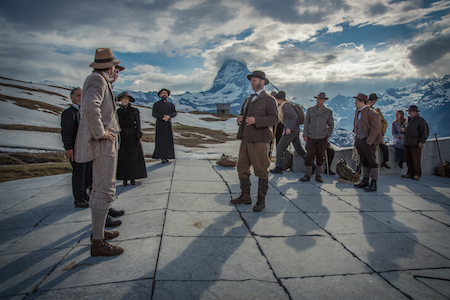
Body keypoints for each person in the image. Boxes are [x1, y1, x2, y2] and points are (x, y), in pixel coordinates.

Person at [75, 48, 124, 256]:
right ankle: (98, 243)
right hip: (103, 145)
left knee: (97, 188)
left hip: (104, 143)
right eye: (115, 66)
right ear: (110, 66)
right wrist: (101, 132)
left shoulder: (99, 79)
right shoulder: (97, 80)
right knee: (105, 188)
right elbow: (89, 106)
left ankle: (99, 231)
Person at [231, 71, 278, 211]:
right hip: (245, 139)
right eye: (251, 80)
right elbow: (242, 115)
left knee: (261, 170)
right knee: (241, 168)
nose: (252, 83)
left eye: (254, 80)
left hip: (260, 141)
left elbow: (274, 119)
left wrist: (256, 120)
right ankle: (246, 196)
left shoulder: (269, 100)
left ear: (263, 82)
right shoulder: (248, 99)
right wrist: (239, 119)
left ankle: (261, 200)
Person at [61, 87, 92, 208]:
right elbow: (67, 132)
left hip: (86, 148)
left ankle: (84, 195)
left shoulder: (83, 112)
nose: (80, 98)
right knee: (79, 173)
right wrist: (69, 148)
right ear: (72, 98)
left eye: (82, 96)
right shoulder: (69, 113)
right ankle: (78, 198)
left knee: (86, 172)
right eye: (78, 96)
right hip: (76, 149)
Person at [300, 92, 334, 182]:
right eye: (318, 99)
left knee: (320, 156)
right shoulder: (310, 110)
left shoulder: (328, 112)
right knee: (309, 155)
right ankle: (307, 174)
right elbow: (306, 123)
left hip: (322, 137)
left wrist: (328, 134)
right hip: (311, 136)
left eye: (320, 99)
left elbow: (331, 124)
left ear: (323, 100)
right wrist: (305, 134)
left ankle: (318, 175)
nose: (318, 101)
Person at [270, 91, 306, 174]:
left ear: (280, 99)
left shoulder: (286, 105)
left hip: (291, 130)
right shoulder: (287, 104)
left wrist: (288, 127)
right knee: (299, 149)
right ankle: (311, 166)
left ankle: (279, 167)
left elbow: (294, 116)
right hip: (295, 129)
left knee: (280, 147)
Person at [116, 91, 147, 186]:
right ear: (121, 100)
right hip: (122, 136)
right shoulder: (118, 112)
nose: (125, 100)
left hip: (132, 136)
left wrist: (138, 135)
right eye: (123, 99)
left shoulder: (134, 110)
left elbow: (138, 124)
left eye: (127, 99)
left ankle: (133, 178)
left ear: (129, 100)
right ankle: (124, 178)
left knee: (133, 157)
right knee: (123, 158)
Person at [352, 93, 382, 192]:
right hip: (360, 140)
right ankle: (365, 180)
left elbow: (376, 128)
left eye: (356, 101)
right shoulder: (358, 112)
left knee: (372, 162)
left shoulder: (371, 113)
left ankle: (373, 183)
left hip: (368, 141)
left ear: (361, 102)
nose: (355, 103)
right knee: (364, 161)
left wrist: (369, 141)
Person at [400, 105, 429, 180]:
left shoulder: (421, 120)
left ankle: (417, 174)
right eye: (409, 112)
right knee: (408, 159)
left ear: (415, 112)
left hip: (415, 143)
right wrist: (402, 130)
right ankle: (410, 173)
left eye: (411, 112)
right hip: (407, 142)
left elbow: (424, 132)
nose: (410, 113)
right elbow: (401, 128)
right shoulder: (407, 120)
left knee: (415, 159)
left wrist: (422, 141)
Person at [152, 88, 177, 163]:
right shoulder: (156, 104)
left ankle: (169, 156)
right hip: (160, 124)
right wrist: (162, 117)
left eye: (165, 93)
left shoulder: (171, 104)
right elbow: (154, 114)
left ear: (168, 95)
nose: (164, 94)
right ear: (160, 95)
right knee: (161, 140)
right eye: (163, 93)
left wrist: (169, 116)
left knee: (168, 140)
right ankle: (162, 156)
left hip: (168, 124)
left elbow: (174, 113)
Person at [368, 93, 390, 169]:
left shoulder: (373, 109)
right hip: (370, 134)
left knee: (384, 147)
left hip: (376, 134)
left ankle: (384, 162)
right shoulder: (367, 109)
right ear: (374, 100)